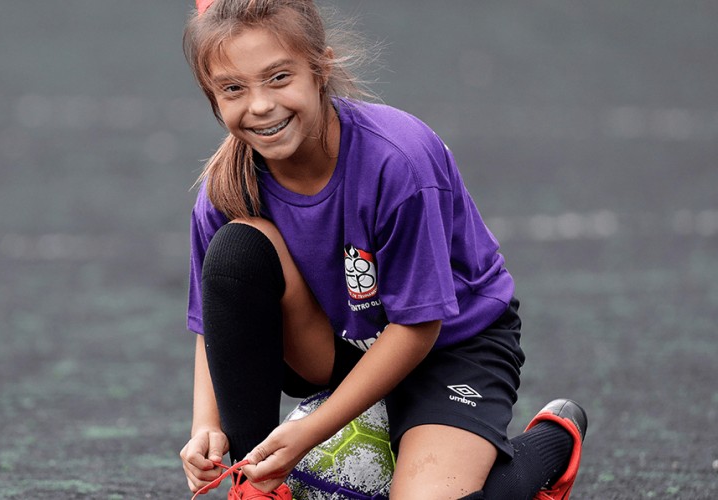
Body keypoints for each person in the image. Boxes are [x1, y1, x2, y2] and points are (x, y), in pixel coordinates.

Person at [178, 1, 588, 499]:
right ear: (213, 98)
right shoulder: (225, 187)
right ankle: (256, 482)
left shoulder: (398, 160)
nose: (260, 105)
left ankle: (548, 446)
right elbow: (212, 323)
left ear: (320, 67)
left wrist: (311, 430)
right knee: (238, 251)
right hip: (342, 341)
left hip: (450, 348)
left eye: (279, 77)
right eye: (233, 89)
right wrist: (207, 425)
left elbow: (419, 328)